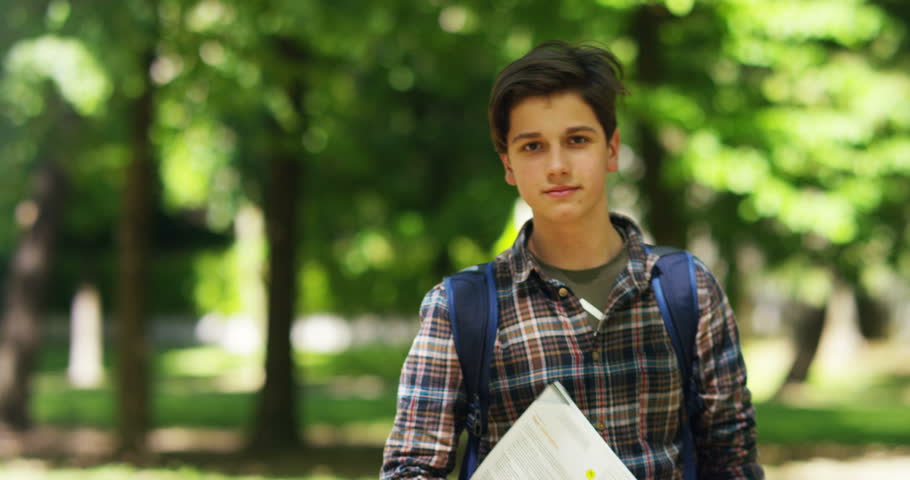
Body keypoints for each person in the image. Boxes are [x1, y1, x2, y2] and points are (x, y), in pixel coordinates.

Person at [381, 40, 763, 479]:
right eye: (532, 147)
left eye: (577, 140)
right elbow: (410, 469)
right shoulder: (460, 308)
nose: (557, 165)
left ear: (612, 149)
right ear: (508, 164)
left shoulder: (686, 289)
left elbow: (732, 458)